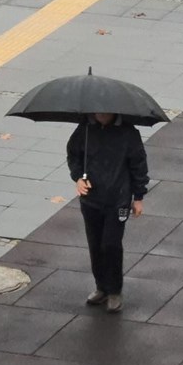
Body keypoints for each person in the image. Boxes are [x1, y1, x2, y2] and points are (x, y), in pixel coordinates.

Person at [66, 112, 149, 313]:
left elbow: (138, 165)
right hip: (91, 200)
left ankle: (114, 290)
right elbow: (73, 155)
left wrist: (138, 197)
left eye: (104, 112)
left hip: (117, 200)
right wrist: (78, 178)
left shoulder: (128, 134)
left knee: (111, 245)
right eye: (97, 111)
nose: (100, 115)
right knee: (95, 244)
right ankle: (101, 287)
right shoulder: (84, 129)